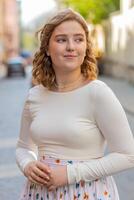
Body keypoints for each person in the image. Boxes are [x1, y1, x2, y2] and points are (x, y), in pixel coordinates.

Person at [16, 8, 134, 200]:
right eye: (61, 39)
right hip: (39, 193)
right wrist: (28, 164)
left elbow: (128, 155)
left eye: (79, 39)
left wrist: (71, 174)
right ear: (47, 47)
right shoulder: (35, 95)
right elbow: (23, 147)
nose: (71, 46)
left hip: (88, 193)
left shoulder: (98, 92)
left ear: (86, 46)